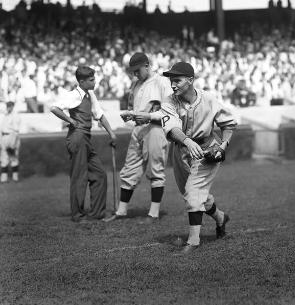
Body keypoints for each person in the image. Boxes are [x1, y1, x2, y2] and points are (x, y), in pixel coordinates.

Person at [136, 62, 237, 254]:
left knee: (193, 192)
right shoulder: (169, 101)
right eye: (171, 81)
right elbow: (172, 127)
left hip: (207, 150)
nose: (173, 85)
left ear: (190, 80)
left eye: (177, 80)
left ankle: (193, 241)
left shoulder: (209, 99)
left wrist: (223, 146)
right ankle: (221, 218)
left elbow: (229, 124)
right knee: (195, 196)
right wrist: (188, 142)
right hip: (182, 150)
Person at [109, 52, 172, 223]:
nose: (135, 74)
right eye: (133, 71)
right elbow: (135, 107)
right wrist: (130, 115)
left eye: (137, 70)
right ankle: (121, 211)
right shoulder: (136, 84)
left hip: (156, 129)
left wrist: (149, 117)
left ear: (147, 65)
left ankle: (153, 213)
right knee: (129, 168)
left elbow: (170, 112)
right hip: (138, 129)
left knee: (155, 170)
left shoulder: (162, 82)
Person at [50, 66, 117, 223]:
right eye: (92, 80)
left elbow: (99, 115)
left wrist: (112, 133)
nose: (95, 82)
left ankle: (97, 213)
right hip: (77, 137)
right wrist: (71, 120)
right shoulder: (73, 95)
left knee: (99, 175)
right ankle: (78, 215)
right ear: (81, 81)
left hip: (86, 138)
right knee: (79, 177)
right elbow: (54, 108)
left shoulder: (90, 94)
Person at [0, 101, 21, 183]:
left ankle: (15, 177)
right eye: (7, 106)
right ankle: (4, 178)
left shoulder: (15, 116)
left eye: (10, 106)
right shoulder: (5, 115)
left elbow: (16, 131)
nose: (8, 107)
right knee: (4, 158)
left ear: (13, 106)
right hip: (4, 137)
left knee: (13, 157)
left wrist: (13, 143)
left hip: (12, 136)